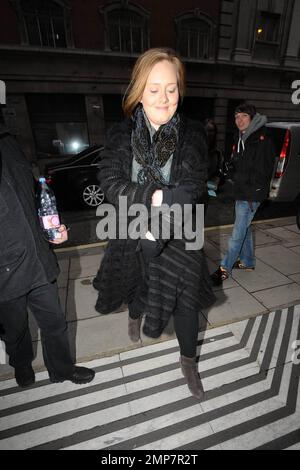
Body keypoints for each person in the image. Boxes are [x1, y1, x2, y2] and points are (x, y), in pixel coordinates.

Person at [93, 48, 215, 400]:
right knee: (137, 280)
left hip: (179, 231)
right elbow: (109, 181)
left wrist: (153, 200)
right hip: (132, 228)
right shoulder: (121, 134)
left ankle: (189, 361)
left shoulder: (192, 134)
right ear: (138, 92)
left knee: (187, 302)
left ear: (180, 90)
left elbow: (192, 188)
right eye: (153, 88)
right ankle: (135, 313)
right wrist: (159, 195)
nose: (164, 97)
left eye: (172, 88)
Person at [0, 111, 95, 387]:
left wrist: (52, 229)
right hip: (4, 270)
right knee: (15, 330)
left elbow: (34, 198)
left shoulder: (8, 143)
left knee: (55, 322)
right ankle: (21, 366)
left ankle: (62, 369)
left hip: (38, 258)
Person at [211, 102, 275, 285]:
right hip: (241, 190)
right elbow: (241, 163)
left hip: (251, 193)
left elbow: (263, 171)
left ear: (252, 118)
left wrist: (240, 179)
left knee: (237, 232)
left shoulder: (261, 139)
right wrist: (229, 170)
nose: (239, 120)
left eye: (243, 116)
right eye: (236, 117)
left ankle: (225, 268)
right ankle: (247, 261)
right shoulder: (242, 137)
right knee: (244, 227)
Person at [204, 118, 223, 192]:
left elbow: (218, 172)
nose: (209, 133)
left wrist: (216, 180)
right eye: (207, 130)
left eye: (211, 131)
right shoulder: (196, 149)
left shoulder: (217, 153)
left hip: (210, 191)